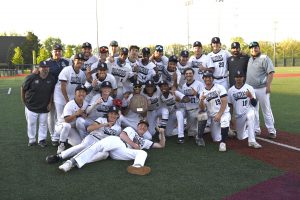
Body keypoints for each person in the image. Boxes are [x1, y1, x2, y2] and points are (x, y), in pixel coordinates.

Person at [57, 120, 166, 176]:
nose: (142, 127)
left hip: (123, 152)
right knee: (96, 147)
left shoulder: (145, 141)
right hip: (118, 142)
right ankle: (70, 163)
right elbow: (123, 135)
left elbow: (161, 145)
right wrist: (134, 145)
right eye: (141, 125)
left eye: (145, 126)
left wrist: (162, 133)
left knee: (143, 153)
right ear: (137, 126)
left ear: (146, 129)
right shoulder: (131, 129)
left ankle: (136, 167)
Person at [46, 106, 121, 164]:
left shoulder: (118, 128)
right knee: (82, 146)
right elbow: (89, 128)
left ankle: (75, 161)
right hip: (93, 138)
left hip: (102, 144)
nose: (113, 116)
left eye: (115, 114)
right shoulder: (101, 119)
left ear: (118, 116)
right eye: (111, 113)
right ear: (108, 114)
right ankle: (59, 156)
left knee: (105, 154)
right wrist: (104, 125)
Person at [21, 61, 56, 147]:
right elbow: (23, 88)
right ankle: (32, 139)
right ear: (39, 68)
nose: (45, 69)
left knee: (43, 124)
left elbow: (52, 92)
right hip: (31, 106)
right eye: (43, 67)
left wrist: (50, 103)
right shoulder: (31, 77)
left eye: (47, 67)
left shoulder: (51, 78)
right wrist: (24, 101)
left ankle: (42, 140)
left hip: (44, 106)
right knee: (31, 123)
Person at [246, 41, 276, 139]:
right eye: (251, 48)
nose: (253, 49)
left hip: (262, 88)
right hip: (251, 89)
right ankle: (256, 129)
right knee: (253, 110)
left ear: (259, 48)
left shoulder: (264, 58)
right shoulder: (250, 59)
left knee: (266, 110)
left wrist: (268, 86)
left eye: (255, 47)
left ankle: (271, 130)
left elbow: (271, 73)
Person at [197, 71, 230, 152]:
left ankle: (223, 143)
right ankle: (200, 136)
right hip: (213, 117)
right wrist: (201, 100)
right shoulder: (202, 92)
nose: (208, 79)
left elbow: (224, 101)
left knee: (224, 121)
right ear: (203, 79)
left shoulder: (220, 87)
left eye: (210, 77)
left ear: (213, 78)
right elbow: (202, 108)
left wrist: (219, 114)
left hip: (223, 112)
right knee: (216, 139)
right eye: (206, 77)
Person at [227, 70, 262, 148]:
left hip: (248, 111)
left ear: (243, 78)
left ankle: (252, 141)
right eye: (237, 77)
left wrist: (251, 96)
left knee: (251, 115)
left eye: (240, 77)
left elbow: (254, 104)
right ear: (234, 78)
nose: (238, 79)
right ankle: (249, 130)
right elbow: (230, 105)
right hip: (239, 116)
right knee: (240, 137)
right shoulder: (230, 91)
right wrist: (231, 117)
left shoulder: (249, 88)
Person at [53, 53, 87, 125]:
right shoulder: (66, 70)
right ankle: (55, 136)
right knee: (60, 118)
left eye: (82, 60)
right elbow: (63, 86)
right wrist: (67, 100)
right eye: (78, 60)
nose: (80, 62)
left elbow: (82, 88)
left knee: (70, 118)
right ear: (74, 61)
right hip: (60, 96)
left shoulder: (82, 74)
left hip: (71, 97)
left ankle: (67, 134)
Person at [46, 44, 69, 146]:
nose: (58, 52)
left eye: (59, 50)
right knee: (51, 114)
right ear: (52, 52)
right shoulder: (47, 62)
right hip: (50, 90)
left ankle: (60, 134)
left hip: (62, 91)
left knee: (61, 115)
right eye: (56, 50)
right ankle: (52, 136)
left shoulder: (66, 61)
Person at [55, 85, 89, 154]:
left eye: (83, 92)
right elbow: (67, 120)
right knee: (67, 126)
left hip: (72, 128)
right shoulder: (70, 104)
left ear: (86, 94)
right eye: (79, 91)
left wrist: (84, 115)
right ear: (75, 93)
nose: (81, 93)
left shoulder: (86, 104)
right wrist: (76, 114)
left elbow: (85, 117)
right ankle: (61, 145)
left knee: (79, 144)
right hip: (61, 126)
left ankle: (67, 139)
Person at [178, 68, 204, 143]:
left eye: (190, 73)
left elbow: (203, 97)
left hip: (199, 109)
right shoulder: (183, 86)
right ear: (185, 75)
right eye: (187, 73)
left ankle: (206, 127)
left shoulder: (199, 84)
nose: (188, 75)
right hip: (189, 111)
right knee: (191, 134)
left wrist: (196, 94)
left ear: (193, 74)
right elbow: (184, 99)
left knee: (201, 126)